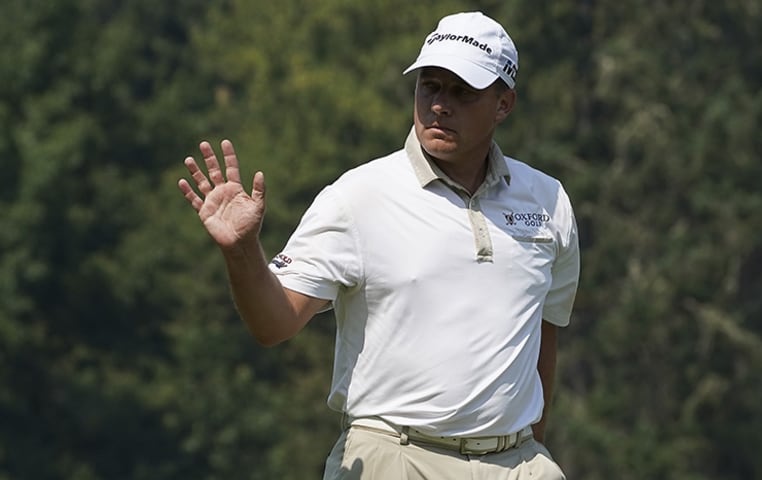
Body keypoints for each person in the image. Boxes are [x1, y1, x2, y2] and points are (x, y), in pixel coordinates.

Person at [178, 11, 580, 480]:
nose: (439, 105)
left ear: (504, 104)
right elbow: (275, 323)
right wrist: (242, 250)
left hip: (518, 464)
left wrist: (531, 448)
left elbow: (543, 332)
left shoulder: (548, 200)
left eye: (462, 92)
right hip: (396, 459)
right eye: (429, 86)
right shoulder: (358, 195)